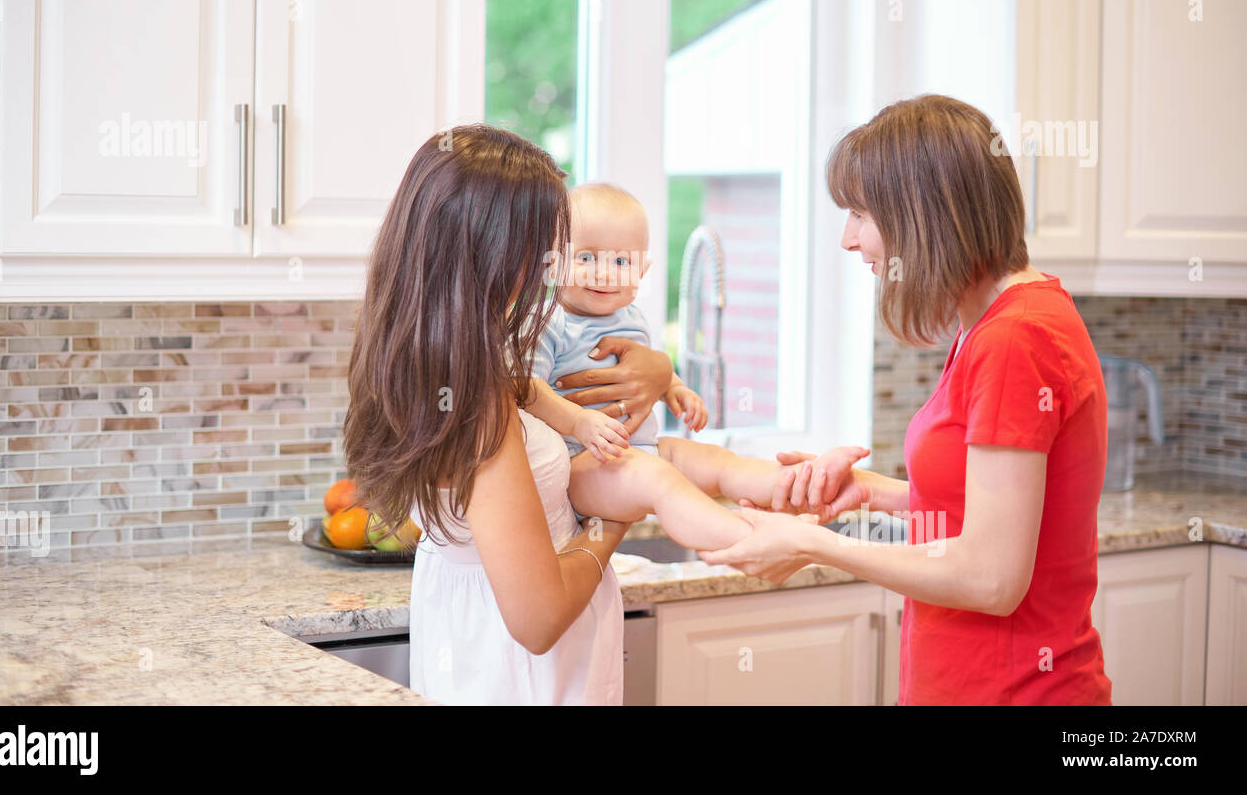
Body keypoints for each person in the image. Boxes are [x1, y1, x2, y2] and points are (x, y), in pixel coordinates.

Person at [699, 94, 1113, 705]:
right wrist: (871, 492)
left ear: (925, 216)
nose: (848, 239)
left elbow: (991, 578)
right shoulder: (996, 321)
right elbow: (982, 509)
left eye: (862, 215)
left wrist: (814, 544)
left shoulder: (1015, 339)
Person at [342, 125, 669, 704]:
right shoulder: (479, 399)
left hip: (471, 649)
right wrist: (611, 523)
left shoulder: (411, 353)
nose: (544, 266)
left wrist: (658, 371)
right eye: (539, 246)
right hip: (524, 675)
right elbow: (538, 619)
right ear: (493, 252)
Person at [526, 182, 867, 552]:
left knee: (717, 462)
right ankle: (755, 540)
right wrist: (579, 422)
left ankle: (805, 480)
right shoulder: (548, 322)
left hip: (638, 450)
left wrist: (676, 390)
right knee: (659, 479)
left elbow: (651, 372)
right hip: (579, 465)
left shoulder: (632, 318)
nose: (604, 273)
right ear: (554, 263)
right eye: (587, 258)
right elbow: (525, 390)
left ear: (643, 270)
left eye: (621, 261)